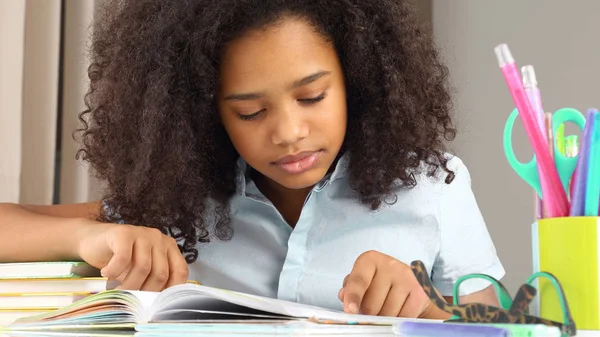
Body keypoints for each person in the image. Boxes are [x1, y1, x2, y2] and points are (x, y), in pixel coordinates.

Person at [0, 0, 504, 319]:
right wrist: (88, 234)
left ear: (358, 80)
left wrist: (428, 310)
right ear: (204, 113)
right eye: (250, 111)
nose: (288, 133)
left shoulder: (434, 186)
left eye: (312, 98)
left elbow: (499, 327)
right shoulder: (180, 203)